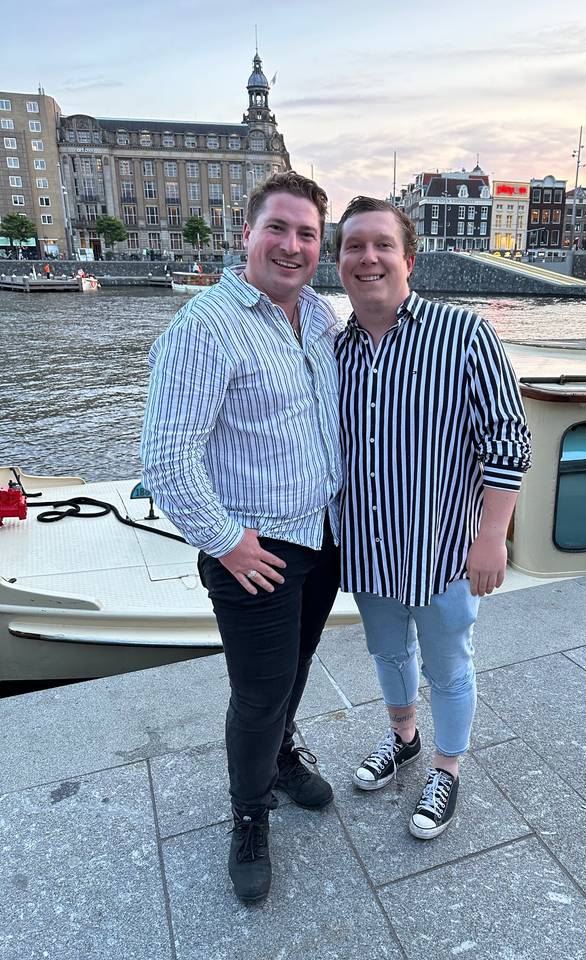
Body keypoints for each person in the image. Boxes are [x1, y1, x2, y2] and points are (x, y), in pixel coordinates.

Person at [141, 172, 344, 904]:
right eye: (278, 229)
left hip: (319, 535)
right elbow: (167, 458)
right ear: (247, 234)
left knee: (297, 667)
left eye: (307, 235)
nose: (292, 246)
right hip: (252, 547)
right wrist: (225, 542)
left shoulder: (318, 317)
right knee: (257, 695)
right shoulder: (205, 326)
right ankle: (249, 815)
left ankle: (280, 760)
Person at [334, 197, 531, 840]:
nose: (368, 257)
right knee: (388, 652)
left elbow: (508, 438)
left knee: (448, 662)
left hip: (444, 545)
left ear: (408, 259)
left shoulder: (464, 335)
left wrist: (492, 535)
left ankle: (447, 766)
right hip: (366, 548)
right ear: (339, 263)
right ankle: (404, 737)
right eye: (353, 246)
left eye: (381, 245)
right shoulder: (335, 351)